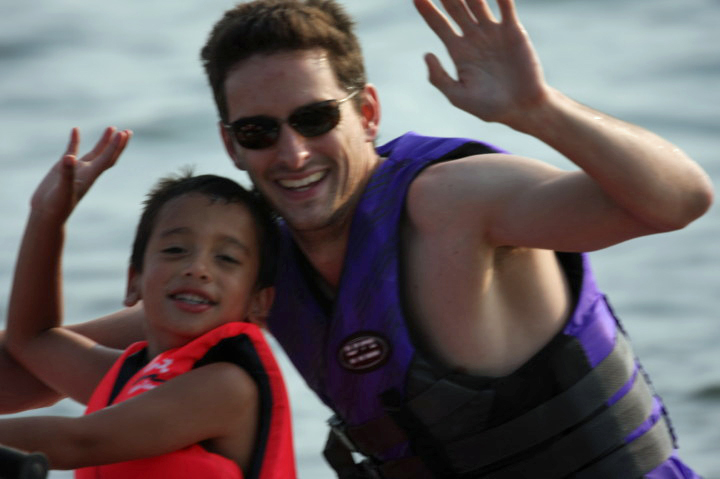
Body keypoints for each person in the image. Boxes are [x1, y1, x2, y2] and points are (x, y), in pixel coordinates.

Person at [0, 0, 714, 477]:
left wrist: (539, 110)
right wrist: (45, 220)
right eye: (259, 131)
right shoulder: (261, 271)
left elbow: (679, 200)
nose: (293, 153)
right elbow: (28, 370)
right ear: (231, 145)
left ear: (366, 112)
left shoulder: (454, 201)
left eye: (314, 118)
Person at [0, 127, 296, 479]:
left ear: (259, 302)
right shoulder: (126, 379)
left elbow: (81, 441)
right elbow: (31, 340)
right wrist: (47, 216)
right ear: (133, 282)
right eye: (175, 249)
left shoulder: (227, 388)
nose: (198, 268)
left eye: (227, 259)